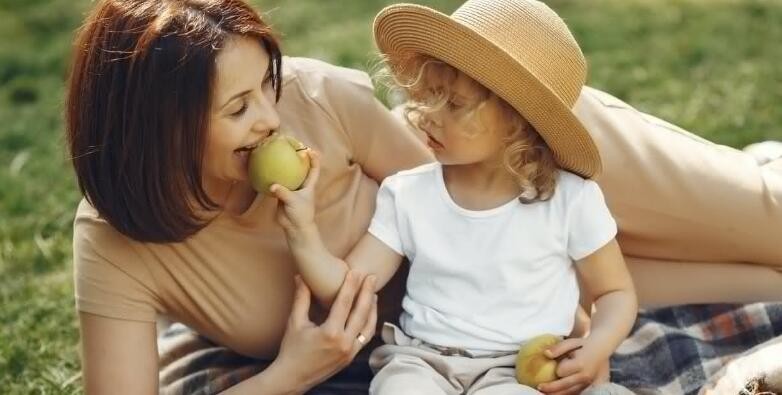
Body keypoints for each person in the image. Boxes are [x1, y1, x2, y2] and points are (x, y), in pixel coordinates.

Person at [65, 0, 782, 394]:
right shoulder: (118, 243)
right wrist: (291, 374)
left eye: (268, 89)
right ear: (156, 131)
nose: (273, 120)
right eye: (239, 108)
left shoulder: (318, 98)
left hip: (527, 152)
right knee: (765, 280)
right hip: (492, 294)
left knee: (769, 218)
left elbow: (467, 187)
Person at [270, 0, 639, 393]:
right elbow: (347, 289)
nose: (427, 113)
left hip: (516, 370)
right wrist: (302, 229)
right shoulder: (408, 194)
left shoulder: (570, 201)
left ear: (519, 123)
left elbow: (615, 292)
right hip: (421, 360)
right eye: (428, 94)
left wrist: (596, 348)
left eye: (455, 103)